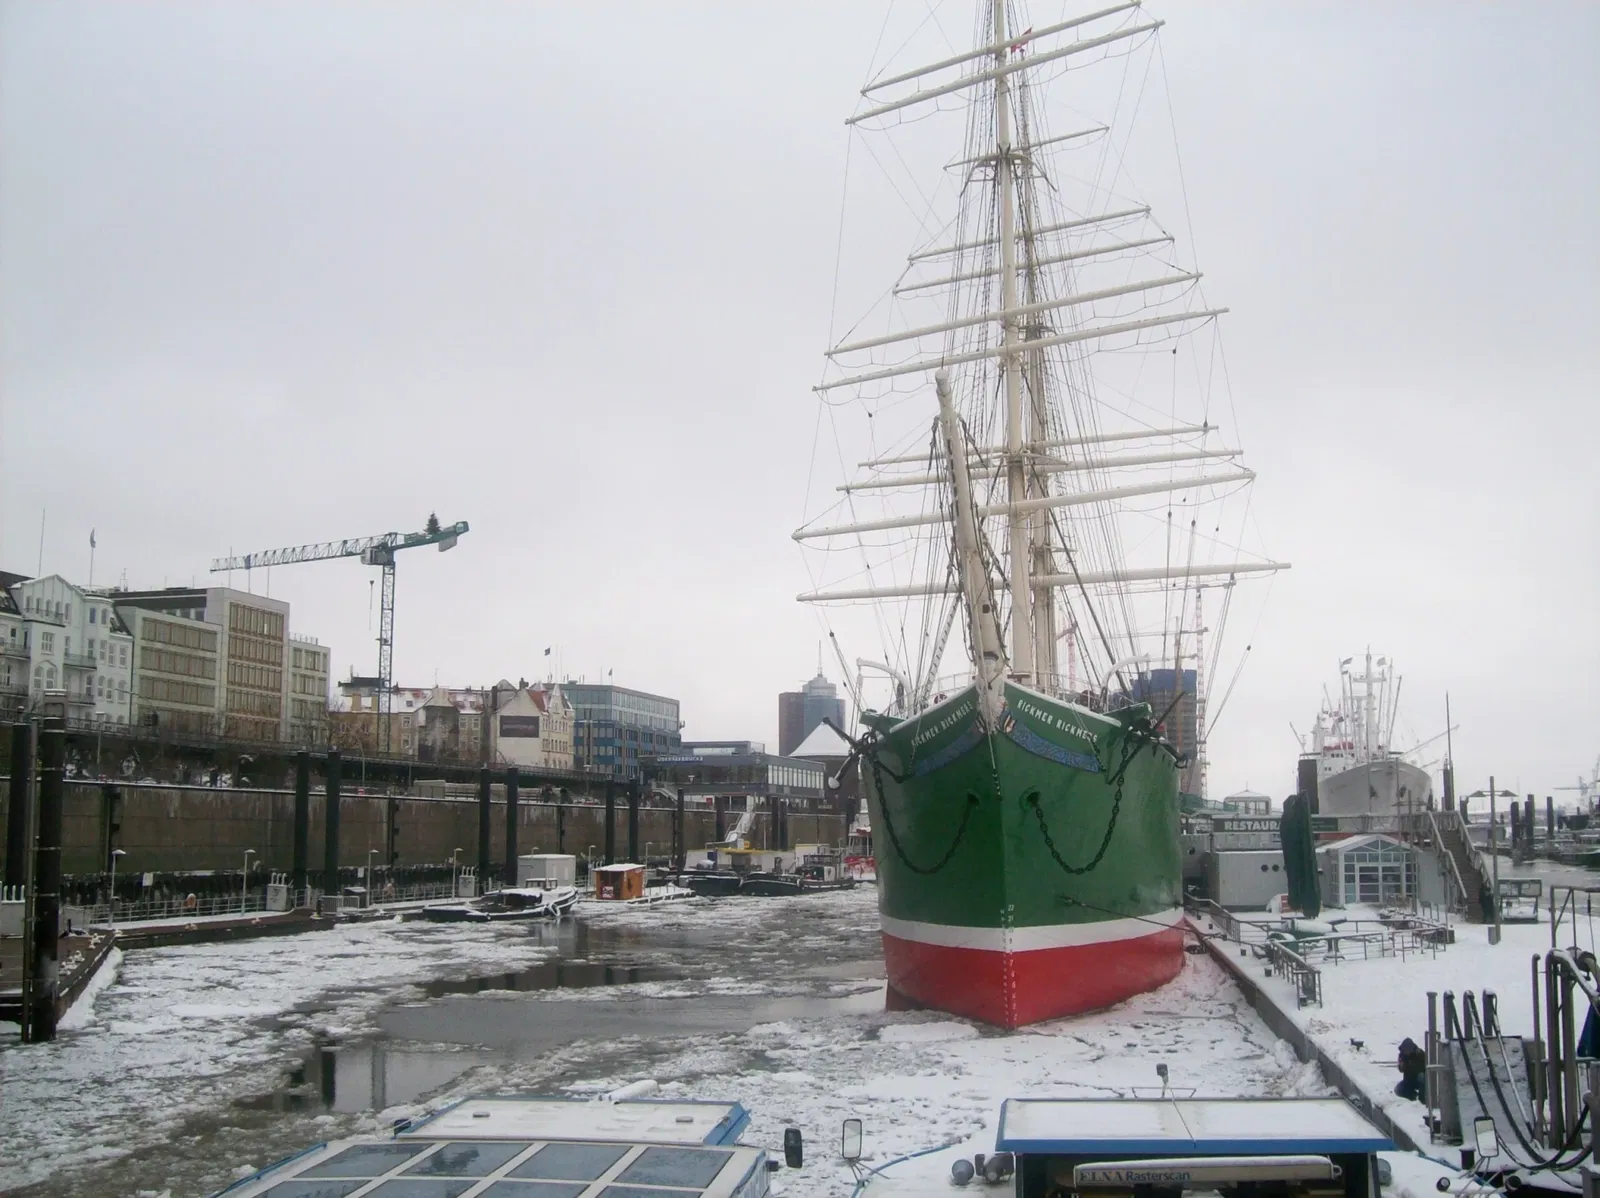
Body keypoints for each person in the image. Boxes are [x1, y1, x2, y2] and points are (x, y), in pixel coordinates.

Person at [1395, 1037, 1427, 1101]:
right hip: (1409, 1079)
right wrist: (1401, 1066)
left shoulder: (1419, 1054)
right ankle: (1412, 1096)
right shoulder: (1402, 1055)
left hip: (1418, 1078)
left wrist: (1412, 1065)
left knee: (1421, 1077)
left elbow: (1423, 1068)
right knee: (1398, 1089)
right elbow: (1401, 1069)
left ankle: (1423, 1097)